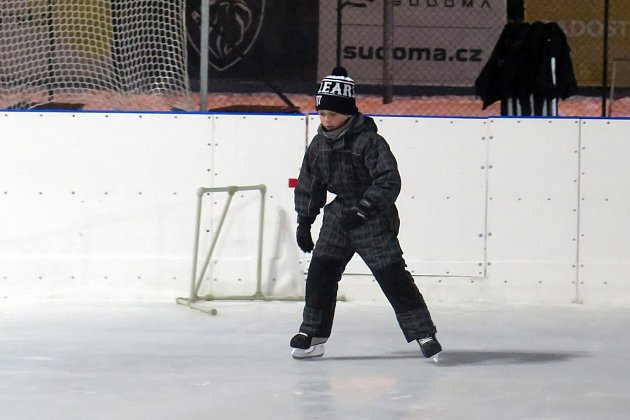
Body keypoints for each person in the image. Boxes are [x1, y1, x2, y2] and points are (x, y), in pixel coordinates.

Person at [290, 66, 441, 360]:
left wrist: (364, 210)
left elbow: (388, 180)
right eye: (322, 114)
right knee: (321, 274)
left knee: (392, 275)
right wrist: (304, 222)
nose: (326, 120)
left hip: (372, 218)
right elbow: (310, 183)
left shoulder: (369, 141)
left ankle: (423, 333)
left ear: (347, 113)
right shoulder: (318, 145)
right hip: (337, 218)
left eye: (332, 114)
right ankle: (313, 334)